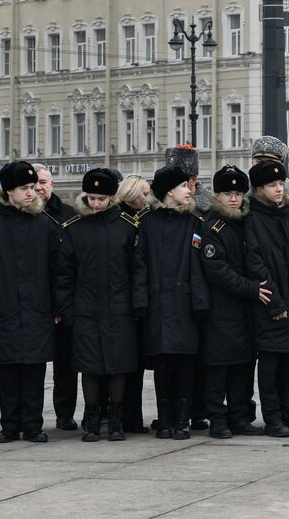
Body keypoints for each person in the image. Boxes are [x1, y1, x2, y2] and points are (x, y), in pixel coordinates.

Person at [54, 168, 146, 443]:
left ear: (112, 198)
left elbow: (137, 270)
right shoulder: (74, 228)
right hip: (86, 309)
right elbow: (65, 274)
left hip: (120, 308)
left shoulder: (127, 227)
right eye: (91, 198)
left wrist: (138, 305)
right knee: (90, 365)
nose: (96, 204)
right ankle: (92, 420)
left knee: (118, 365)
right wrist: (66, 309)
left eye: (102, 199)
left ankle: (116, 420)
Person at [0, 160, 60, 443]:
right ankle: (10, 425)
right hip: (5, 311)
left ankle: (33, 425)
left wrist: (57, 307)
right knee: (9, 371)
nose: (30, 192)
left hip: (38, 310)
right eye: (24, 188)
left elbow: (57, 270)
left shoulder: (44, 224)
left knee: (35, 371)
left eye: (33, 187)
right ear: (9, 191)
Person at [245, 160, 289, 438]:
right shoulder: (252, 220)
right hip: (269, 306)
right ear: (259, 189)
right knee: (271, 365)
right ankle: (273, 417)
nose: (278, 189)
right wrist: (275, 303)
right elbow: (255, 264)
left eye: (280, 183)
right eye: (271, 185)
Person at [139, 165, 210, 439]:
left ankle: (182, 420)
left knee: (185, 365)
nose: (189, 190)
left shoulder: (194, 222)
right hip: (157, 304)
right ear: (169, 191)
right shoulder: (147, 223)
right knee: (162, 365)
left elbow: (199, 268)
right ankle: (165, 418)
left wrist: (200, 303)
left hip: (186, 305)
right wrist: (140, 302)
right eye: (183, 186)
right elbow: (139, 266)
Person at [199, 165, 268, 438]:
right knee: (218, 367)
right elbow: (217, 270)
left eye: (238, 194)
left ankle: (240, 416)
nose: (233, 199)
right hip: (220, 309)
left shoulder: (247, 223)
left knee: (243, 365)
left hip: (246, 310)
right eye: (228, 193)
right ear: (217, 195)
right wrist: (251, 288)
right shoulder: (212, 226)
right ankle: (218, 418)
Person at [32, 163, 79, 432]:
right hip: (36, 300)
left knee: (66, 364)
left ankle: (64, 414)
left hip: (62, 299)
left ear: (52, 184)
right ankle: (31, 417)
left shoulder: (69, 215)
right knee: (33, 364)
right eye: (33, 183)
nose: (38, 188)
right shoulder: (23, 214)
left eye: (43, 182)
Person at [116, 175, 152, 434]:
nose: (147, 199)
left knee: (136, 365)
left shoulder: (145, 219)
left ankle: (133, 418)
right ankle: (121, 416)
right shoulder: (123, 222)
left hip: (139, 300)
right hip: (123, 301)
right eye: (144, 194)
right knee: (125, 366)